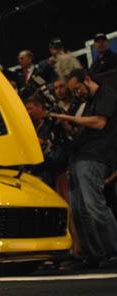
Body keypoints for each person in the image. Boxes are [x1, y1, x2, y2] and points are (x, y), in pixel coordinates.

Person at [51, 68, 117, 268]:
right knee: (79, 211)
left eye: (77, 88)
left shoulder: (107, 94)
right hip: (77, 158)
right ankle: (93, 254)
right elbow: (79, 131)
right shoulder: (85, 103)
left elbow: (99, 122)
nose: (77, 93)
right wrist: (64, 124)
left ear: (87, 80)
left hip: (95, 156)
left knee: (94, 205)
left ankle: (113, 251)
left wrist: (70, 119)